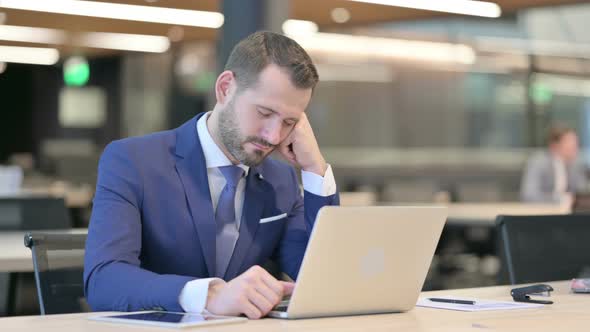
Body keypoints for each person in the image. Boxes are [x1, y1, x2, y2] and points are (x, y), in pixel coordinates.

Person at [84, 31, 339, 319]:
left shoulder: (281, 180)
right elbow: (104, 279)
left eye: (289, 122)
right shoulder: (133, 161)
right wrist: (209, 295)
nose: (274, 135)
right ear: (225, 88)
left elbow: (324, 279)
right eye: (265, 112)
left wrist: (314, 168)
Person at [520, 125, 587, 204]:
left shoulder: (576, 165)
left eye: (576, 142)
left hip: (568, 213)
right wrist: (562, 199)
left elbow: (583, 193)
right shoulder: (538, 162)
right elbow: (528, 195)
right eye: (570, 142)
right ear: (554, 145)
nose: (575, 146)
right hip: (543, 212)